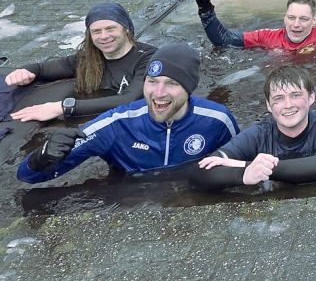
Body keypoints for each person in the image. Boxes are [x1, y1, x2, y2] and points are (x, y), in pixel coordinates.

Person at [17, 43, 239, 184]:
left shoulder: (217, 120)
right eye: (152, 82)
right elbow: (27, 177)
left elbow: (241, 166)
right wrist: (40, 158)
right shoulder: (115, 125)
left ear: (189, 88)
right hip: (132, 196)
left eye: (171, 83)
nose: (158, 93)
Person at [188, 65, 316, 189]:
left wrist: (246, 165)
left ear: (311, 97)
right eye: (279, 98)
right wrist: (244, 175)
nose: (288, 105)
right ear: (269, 105)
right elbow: (199, 172)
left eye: (295, 95)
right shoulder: (258, 134)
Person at [3, 2, 156, 122]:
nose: (103, 36)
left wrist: (62, 107)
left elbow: (129, 99)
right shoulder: (88, 58)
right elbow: (42, 68)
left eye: (110, 29)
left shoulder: (148, 58)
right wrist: (25, 71)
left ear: (126, 29)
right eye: (96, 31)